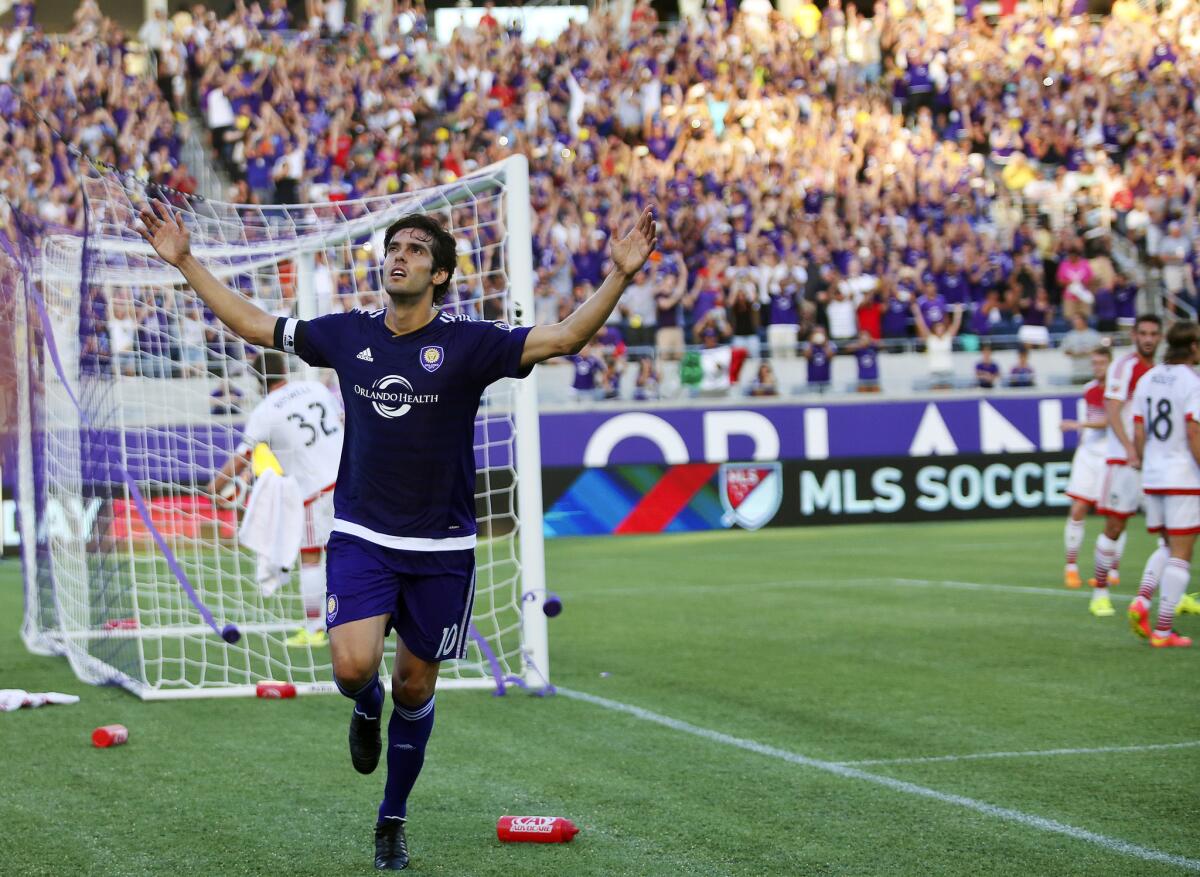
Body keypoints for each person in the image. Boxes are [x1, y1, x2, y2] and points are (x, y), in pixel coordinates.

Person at [138, 200, 658, 870]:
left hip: (442, 550)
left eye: (415, 248)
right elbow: (254, 324)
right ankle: (364, 704)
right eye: (394, 246)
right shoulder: (347, 335)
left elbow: (561, 339)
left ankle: (392, 817)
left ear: (439, 273)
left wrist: (617, 276)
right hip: (361, 534)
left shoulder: (470, 344)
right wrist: (185, 262)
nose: (399, 254)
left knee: (417, 688)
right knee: (354, 668)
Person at [211, 350, 344, 646]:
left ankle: (313, 629)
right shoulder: (315, 388)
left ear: (258, 381)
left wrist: (214, 485)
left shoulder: (264, 411)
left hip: (315, 490)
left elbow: (242, 457)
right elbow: (342, 421)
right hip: (352, 479)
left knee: (311, 557)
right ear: (284, 369)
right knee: (359, 552)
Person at [1126, 321, 1200, 648]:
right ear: (1194, 347)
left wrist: (1143, 461)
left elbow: (1139, 430)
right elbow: (1194, 431)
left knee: (1166, 546)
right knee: (1182, 554)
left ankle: (1142, 600)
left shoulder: (1147, 378)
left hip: (1153, 474)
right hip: (1182, 474)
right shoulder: (1192, 382)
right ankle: (1164, 630)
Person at [1090, 313, 1163, 618]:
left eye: (1153, 334)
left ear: (1160, 337)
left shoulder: (1160, 371)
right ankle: (1100, 592)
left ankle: (1163, 595)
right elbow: (1112, 407)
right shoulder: (1125, 366)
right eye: (1143, 333)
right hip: (1125, 461)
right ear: (1134, 335)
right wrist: (1131, 449)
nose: (1148, 338)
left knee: (1172, 533)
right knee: (1115, 526)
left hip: (1157, 463)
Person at [1060, 348, 1113, 589]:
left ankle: (1111, 570)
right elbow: (1090, 424)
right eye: (1094, 363)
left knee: (1113, 515)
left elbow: (1110, 421)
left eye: (1102, 362)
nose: (1098, 367)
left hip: (1111, 454)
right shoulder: (1089, 389)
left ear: (1110, 363)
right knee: (1078, 508)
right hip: (1088, 455)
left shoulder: (1117, 391)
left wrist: (1078, 424)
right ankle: (1071, 567)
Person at [912, 301, 962, 389]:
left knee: (948, 393)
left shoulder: (948, 337)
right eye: (937, 327)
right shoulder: (930, 339)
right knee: (935, 392)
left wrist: (958, 313)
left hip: (947, 369)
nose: (939, 329)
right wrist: (916, 312)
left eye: (941, 327)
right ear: (934, 329)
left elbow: (955, 325)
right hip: (934, 370)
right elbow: (921, 325)